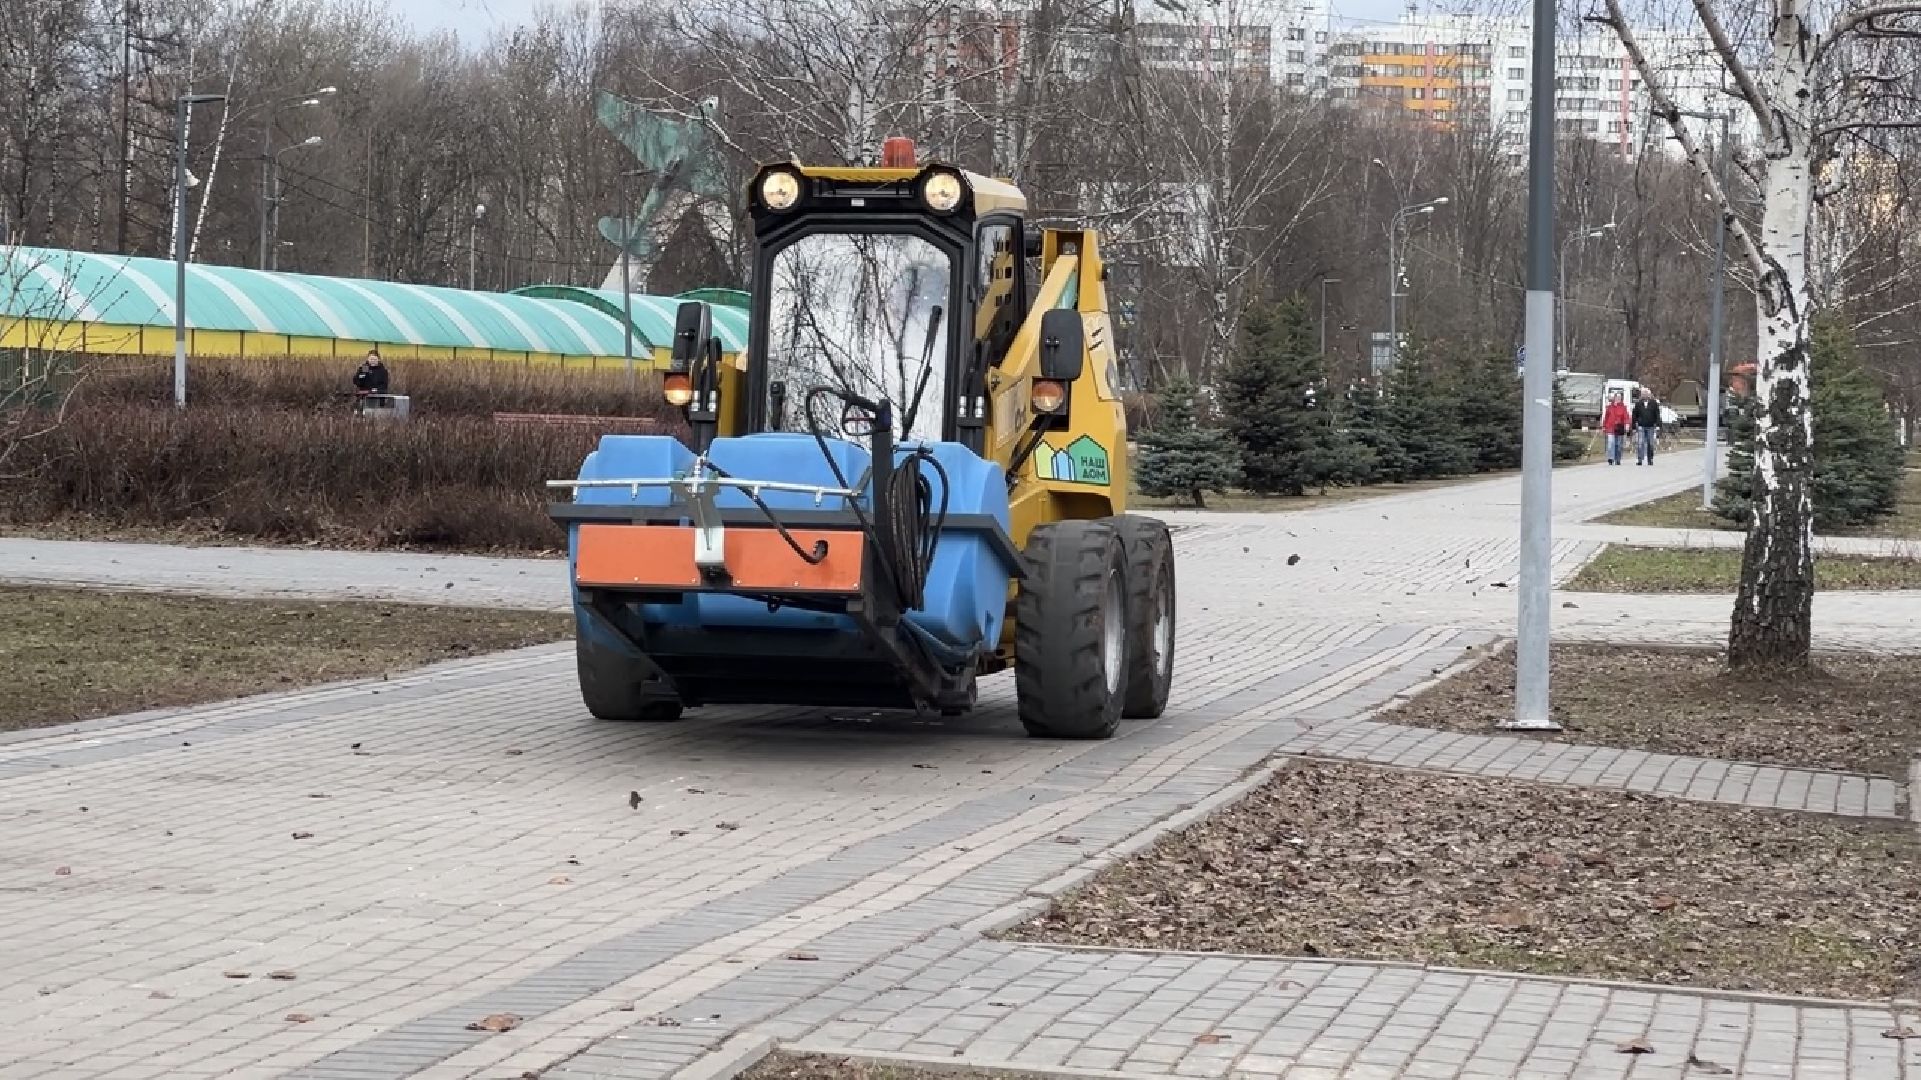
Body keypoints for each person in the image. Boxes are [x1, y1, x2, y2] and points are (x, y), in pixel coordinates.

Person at [1631, 387, 1663, 465]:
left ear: (1649, 395)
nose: (1645, 395)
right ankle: (1640, 459)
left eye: (1646, 393)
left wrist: (1658, 425)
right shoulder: (1638, 404)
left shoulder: (1654, 403)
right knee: (1640, 443)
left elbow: (1657, 414)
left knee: (1650, 443)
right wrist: (1633, 427)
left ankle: (1650, 459)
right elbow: (1634, 415)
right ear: (1641, 395)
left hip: (1651, 426)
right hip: (1641, 426)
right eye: (1643, 394)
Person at [1601, 390, 1630, 466]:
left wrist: (1627, 424)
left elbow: (1626, 417)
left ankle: (1618, 459)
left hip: (1619, 428)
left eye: (1620, 397)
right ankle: (1611, 458)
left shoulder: (1623, 407)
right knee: (1611, 443)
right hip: (1610, 428)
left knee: (1618, 445)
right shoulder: (1610, 407)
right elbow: (1606, 417)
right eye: (1617, 397)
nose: (1618, 399)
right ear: (1614, 398)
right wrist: (1604, 426)